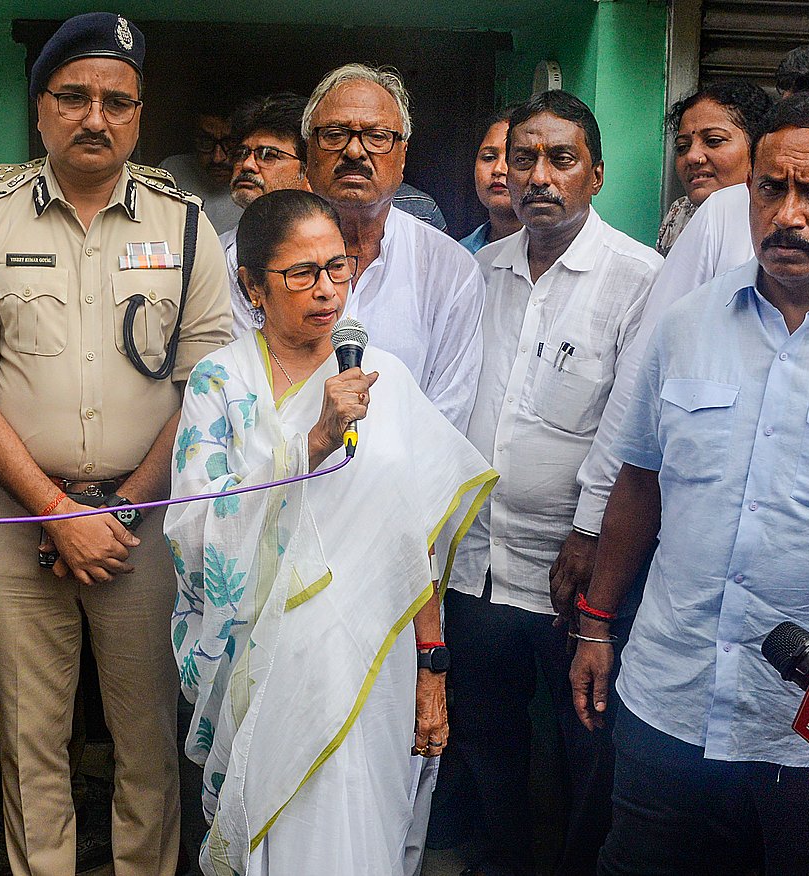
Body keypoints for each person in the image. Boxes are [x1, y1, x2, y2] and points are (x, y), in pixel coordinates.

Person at [0, 13, 232, 876]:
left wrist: (122, 506)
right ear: (42, 110)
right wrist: (59, 510)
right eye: (73, 97)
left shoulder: (183, 226)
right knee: (34, 745)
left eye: (116, 100)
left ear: (140, 115)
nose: (94, 117)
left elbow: (205, 386)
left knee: (148, 741)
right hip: (19, 518)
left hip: (143, 524)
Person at [570, 91, 809, 874]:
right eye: (771, 188)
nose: (789, 215)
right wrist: (596, 622)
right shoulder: (688, 324)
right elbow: (639, 482)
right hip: (669, 702)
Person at [166, 188, 496, 875]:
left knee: (362, 826)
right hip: (267, 660)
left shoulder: (387, 382)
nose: (327, 291)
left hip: (371, 654)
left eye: (338, 268)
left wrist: (432, 665)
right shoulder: (219, 382)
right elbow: (195, 528)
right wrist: (309, 443)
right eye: (302, 274)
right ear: (252, 284)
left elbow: (419, 537)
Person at [574, 25, 809, 588]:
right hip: (678, 641)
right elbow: (640, 442)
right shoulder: (709, 261)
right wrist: (593, 540)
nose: (790, 214)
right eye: (771, 185)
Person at [437, 90, 661, 876]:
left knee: (583, 753)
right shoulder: (476, 271)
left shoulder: (640, 278)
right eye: (519, 157)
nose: (535, 175)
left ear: (595, 174)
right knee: (488, 743)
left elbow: (633, 427)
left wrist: (591, 529)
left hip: (577, 575)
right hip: (475, 571)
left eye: (559, 159)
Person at [303, 63, 486, 434]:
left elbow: (447, 417)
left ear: (402, 155)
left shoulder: (451, 270)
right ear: (308, 151)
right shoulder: (256, 260)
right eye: (335, 134)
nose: (355, 151)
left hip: (404, 487)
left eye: (377, 136)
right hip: (286, 482)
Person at [222, 92, 311, 335]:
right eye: (242, 153)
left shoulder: (336, 257)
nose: (248, 165)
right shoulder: (210, 252)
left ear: (307, 171)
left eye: (269, 155)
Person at [656, 81, 774, 254]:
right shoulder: (680, 213)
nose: (692, 157)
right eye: (682, 147)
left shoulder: (778, 219)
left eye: (713, 141)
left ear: (759, 147)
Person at [161, 105, 244, 234]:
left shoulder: (257, 181)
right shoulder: (171, 172)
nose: (217, 158)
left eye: (230, 143)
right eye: (206, 142)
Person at [460, 105, 522, 253]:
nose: (499, 169)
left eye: (517, 158)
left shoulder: (558, 252)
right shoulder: (461, 253)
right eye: (489, 157)